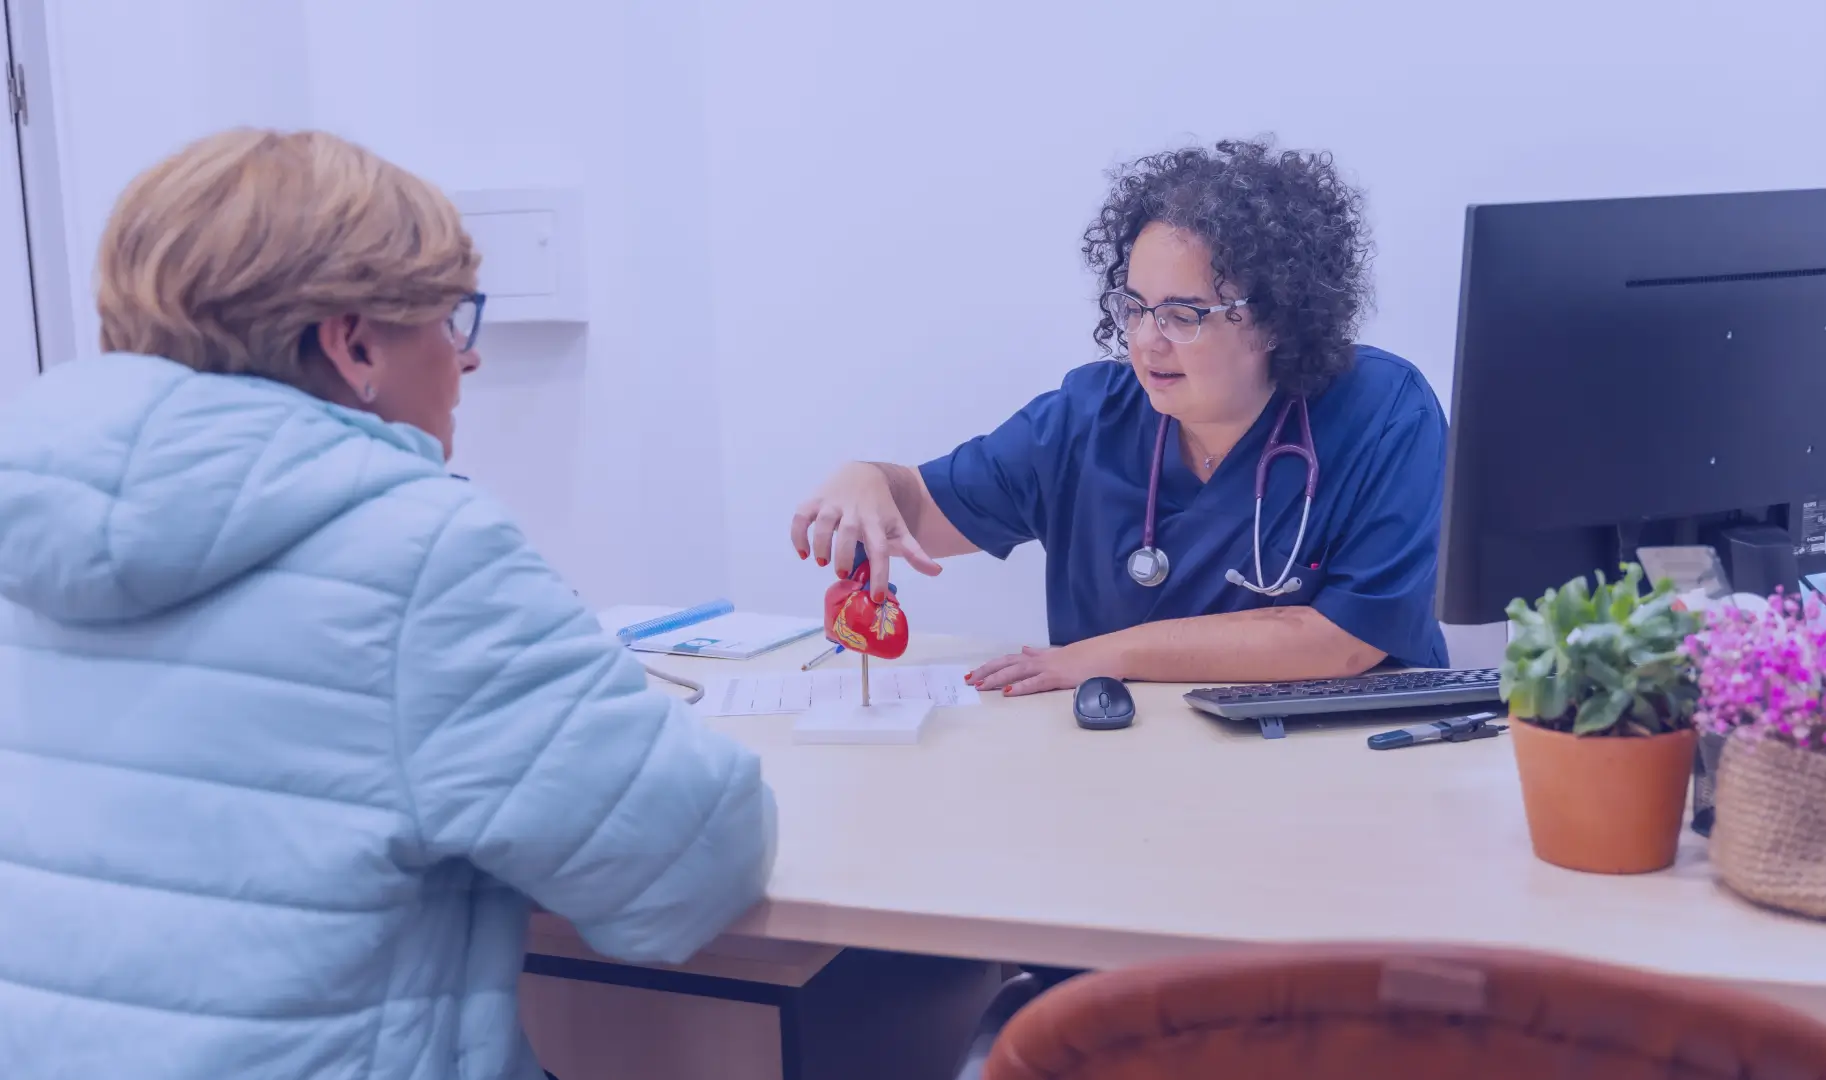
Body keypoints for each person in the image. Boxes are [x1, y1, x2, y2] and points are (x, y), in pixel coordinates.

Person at [0, 129, 775, 1080]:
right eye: (452, 322)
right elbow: (692, 869)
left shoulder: (26, 523)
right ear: (355, 343)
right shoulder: (419, 555)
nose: (467, 360)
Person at [792, 139, 1449, 695]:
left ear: (1275, 318)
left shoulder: (1382, 413)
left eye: (1182, 315)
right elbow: (920, 514)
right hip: (1126, 776)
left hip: (1346, 770)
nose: (1144, 340)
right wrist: (869, 482)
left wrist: (1104, 656)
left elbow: (1346, 641)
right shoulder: (1088, 419)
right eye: (1134, 306)